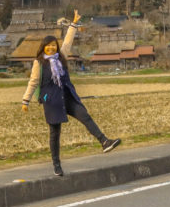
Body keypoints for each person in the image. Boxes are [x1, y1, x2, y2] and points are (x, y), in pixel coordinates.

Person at [21, 10, 121, 176]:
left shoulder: (61, 56)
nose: (52, 47)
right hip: (51, 100)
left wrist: (73, 24)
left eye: (54, 45)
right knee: (55, 133)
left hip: (66, 95)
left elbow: (67, 42)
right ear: (44, 47)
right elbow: (33, 82)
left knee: (85, 116)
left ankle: (104, 141)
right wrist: (26, 100)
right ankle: (56, 165)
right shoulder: (39, 63)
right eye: (49, 45)